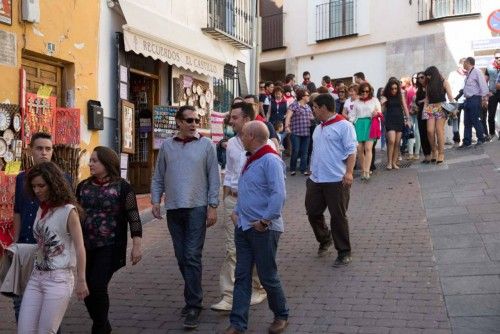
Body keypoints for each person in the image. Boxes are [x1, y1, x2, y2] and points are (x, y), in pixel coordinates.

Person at [151, 105, 220, 329]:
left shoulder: (207, 145)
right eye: (189, 120)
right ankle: (193, 294)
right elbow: (158, 175)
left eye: (196, 121)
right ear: (179, 122)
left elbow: (214, 177)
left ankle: (193, 304)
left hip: (197, 208)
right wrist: (154, 200)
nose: (193, 125)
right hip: (174, 208)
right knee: (182, 257)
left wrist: (213, 206)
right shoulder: (167, 147)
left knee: (191, 255)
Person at [224, 121, 288, 334]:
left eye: (243, 134)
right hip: (244, 226)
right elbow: (251, 190)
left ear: (252, 136)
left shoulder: (270, 159)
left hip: (264, 229)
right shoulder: (252, 158)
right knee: (242, 276)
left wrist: (265, 221)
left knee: (267, 275)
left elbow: (279, 194)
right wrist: (238, 212)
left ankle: (281, 315)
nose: (240, 137)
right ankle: (237, 323)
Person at [76, 146, 143, 334]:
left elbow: (133, 217)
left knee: (97, 286)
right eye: (90, 160)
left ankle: (99, 328)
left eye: (94, 160)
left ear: (107, 162)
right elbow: (74, 215)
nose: (90, 164)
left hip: (110, 245)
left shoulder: (123, 187)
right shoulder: (83, 186)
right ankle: (103, 324)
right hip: (85, 246)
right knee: (87, 288)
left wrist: (136, 245)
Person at [211, 102, 269, 312]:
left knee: (254, 247)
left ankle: (258, 288)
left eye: (235, 117)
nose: (230, 121)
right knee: (231, 249)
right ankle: (228, 295)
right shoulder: (232, 143)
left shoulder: (265, 144)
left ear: (246, 119)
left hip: (254, 204)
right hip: (233, 201)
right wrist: (224, 200)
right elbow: (231, 173)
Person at [17, 162, 88, 333]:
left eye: (41, 185)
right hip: (36, 277)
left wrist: (81, 279)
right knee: (24, 330)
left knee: (46, 331)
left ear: (53, 184)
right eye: (34, 186)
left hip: (59, 279)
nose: (37, 190)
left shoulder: (68, 211)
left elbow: (79, 247)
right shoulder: (41, 210)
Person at [12, 132, 64, 334]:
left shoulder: (62, 178)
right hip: (24, 247)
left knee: (48, 305)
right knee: (19, 301)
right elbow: (17, 210)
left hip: (49, 251)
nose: (43, 153)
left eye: (48, 149)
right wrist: (15, 242)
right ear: (30, 150)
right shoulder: (21, 179)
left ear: (52, 152)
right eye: (39, 148)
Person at [306, 93, 356, 266]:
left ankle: (344, 251)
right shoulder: (319, 128)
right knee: (312, 212)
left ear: (323, 108)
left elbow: (351, 151)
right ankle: (325, 238)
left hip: (336, 179)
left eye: (314, 107)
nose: (313, 110)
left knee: (338, 216)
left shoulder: (344, 126)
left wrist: (349, 173)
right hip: (316, 179)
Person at [350, 82, 382, 179]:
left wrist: (376, 114)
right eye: (363, 91)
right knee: (359, 149)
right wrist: (354, 122)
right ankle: (363, 170)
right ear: (359, 91)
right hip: (359, 124)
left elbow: (380, 112)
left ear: (370, 91)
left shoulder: (374, 100)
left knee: (368, 148)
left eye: (367, 91)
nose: (364, 93)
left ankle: (367, 171)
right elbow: (352, 115)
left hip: (370, 124)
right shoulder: (356, 102)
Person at [423, 66, 454, 163]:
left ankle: (441, 153)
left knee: (439, 130)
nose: (427, 77)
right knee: (430, 130)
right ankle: (434, 150)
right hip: (430, 108)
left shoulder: (444, 82)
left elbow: (450, 97)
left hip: (441, 106)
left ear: (433, 74)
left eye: (428, 75)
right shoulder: (428, 85)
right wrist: (425, 108)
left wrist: (453, 109)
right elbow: (427, 98)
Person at [380, 79, 411, 170]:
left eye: (395, 88)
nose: (394, 90)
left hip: (399, 120)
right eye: (392, 89)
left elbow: (405, 108)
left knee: (397, 143)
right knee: (391, 141)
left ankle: (394, 162)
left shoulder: (400, 96)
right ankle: (389, 162)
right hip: (390, 120)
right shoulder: (385, 97)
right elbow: (381, 111)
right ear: (389, 89)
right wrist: (382, 103)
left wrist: (408, 120)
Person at [459, 57, 489, 149]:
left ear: (468, 63)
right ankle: (467, 141)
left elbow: (483, 85)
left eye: (464, 63)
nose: (463, 64)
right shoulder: (468, 74)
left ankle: (481, 138)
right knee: (467, 121)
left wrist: (484, 99)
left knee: (475, 119)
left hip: (475, 98)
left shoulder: (477, 71)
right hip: (467, 100)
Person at [285, 88, 314, 176]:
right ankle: (292, 169)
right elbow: (288, 117)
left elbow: (312, 118)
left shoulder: (308, 107)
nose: (309, 97)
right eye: (307, 95)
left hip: (306, 132)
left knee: (305, 152)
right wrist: (287, 126)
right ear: (302, 97)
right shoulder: (294, 105)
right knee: (296, 150)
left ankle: (303, 169)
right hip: (296, 132)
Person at [448, 58, 467, 146]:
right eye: (464, 65)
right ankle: (456, 140)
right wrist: (450, 102)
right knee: (456, 121)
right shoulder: (452, 74)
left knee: (467, 120)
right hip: (455, 101)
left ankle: (467, 139)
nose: (465, 67)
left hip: (466, 100)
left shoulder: (469, 74)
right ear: (459, 65)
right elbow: (448, 88)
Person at [415, 72, 432, 163]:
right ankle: (427, 155)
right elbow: (417, 102)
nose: (420, 79)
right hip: (421, 113)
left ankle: (433, 153)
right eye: (418, 78)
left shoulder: (430, 87)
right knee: (422, 134)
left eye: (422, 77)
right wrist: (423, 100)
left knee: (430, 133)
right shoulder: (419, 90)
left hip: (431, 113)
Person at [484, 50, 500, 139]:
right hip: (493, 93)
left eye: (499, 57)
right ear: (494, 58)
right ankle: (492, 134)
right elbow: (485, 80)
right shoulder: (489, 67)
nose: (498, 59)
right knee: (491, 115)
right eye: (496, 57)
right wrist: (486, 94)